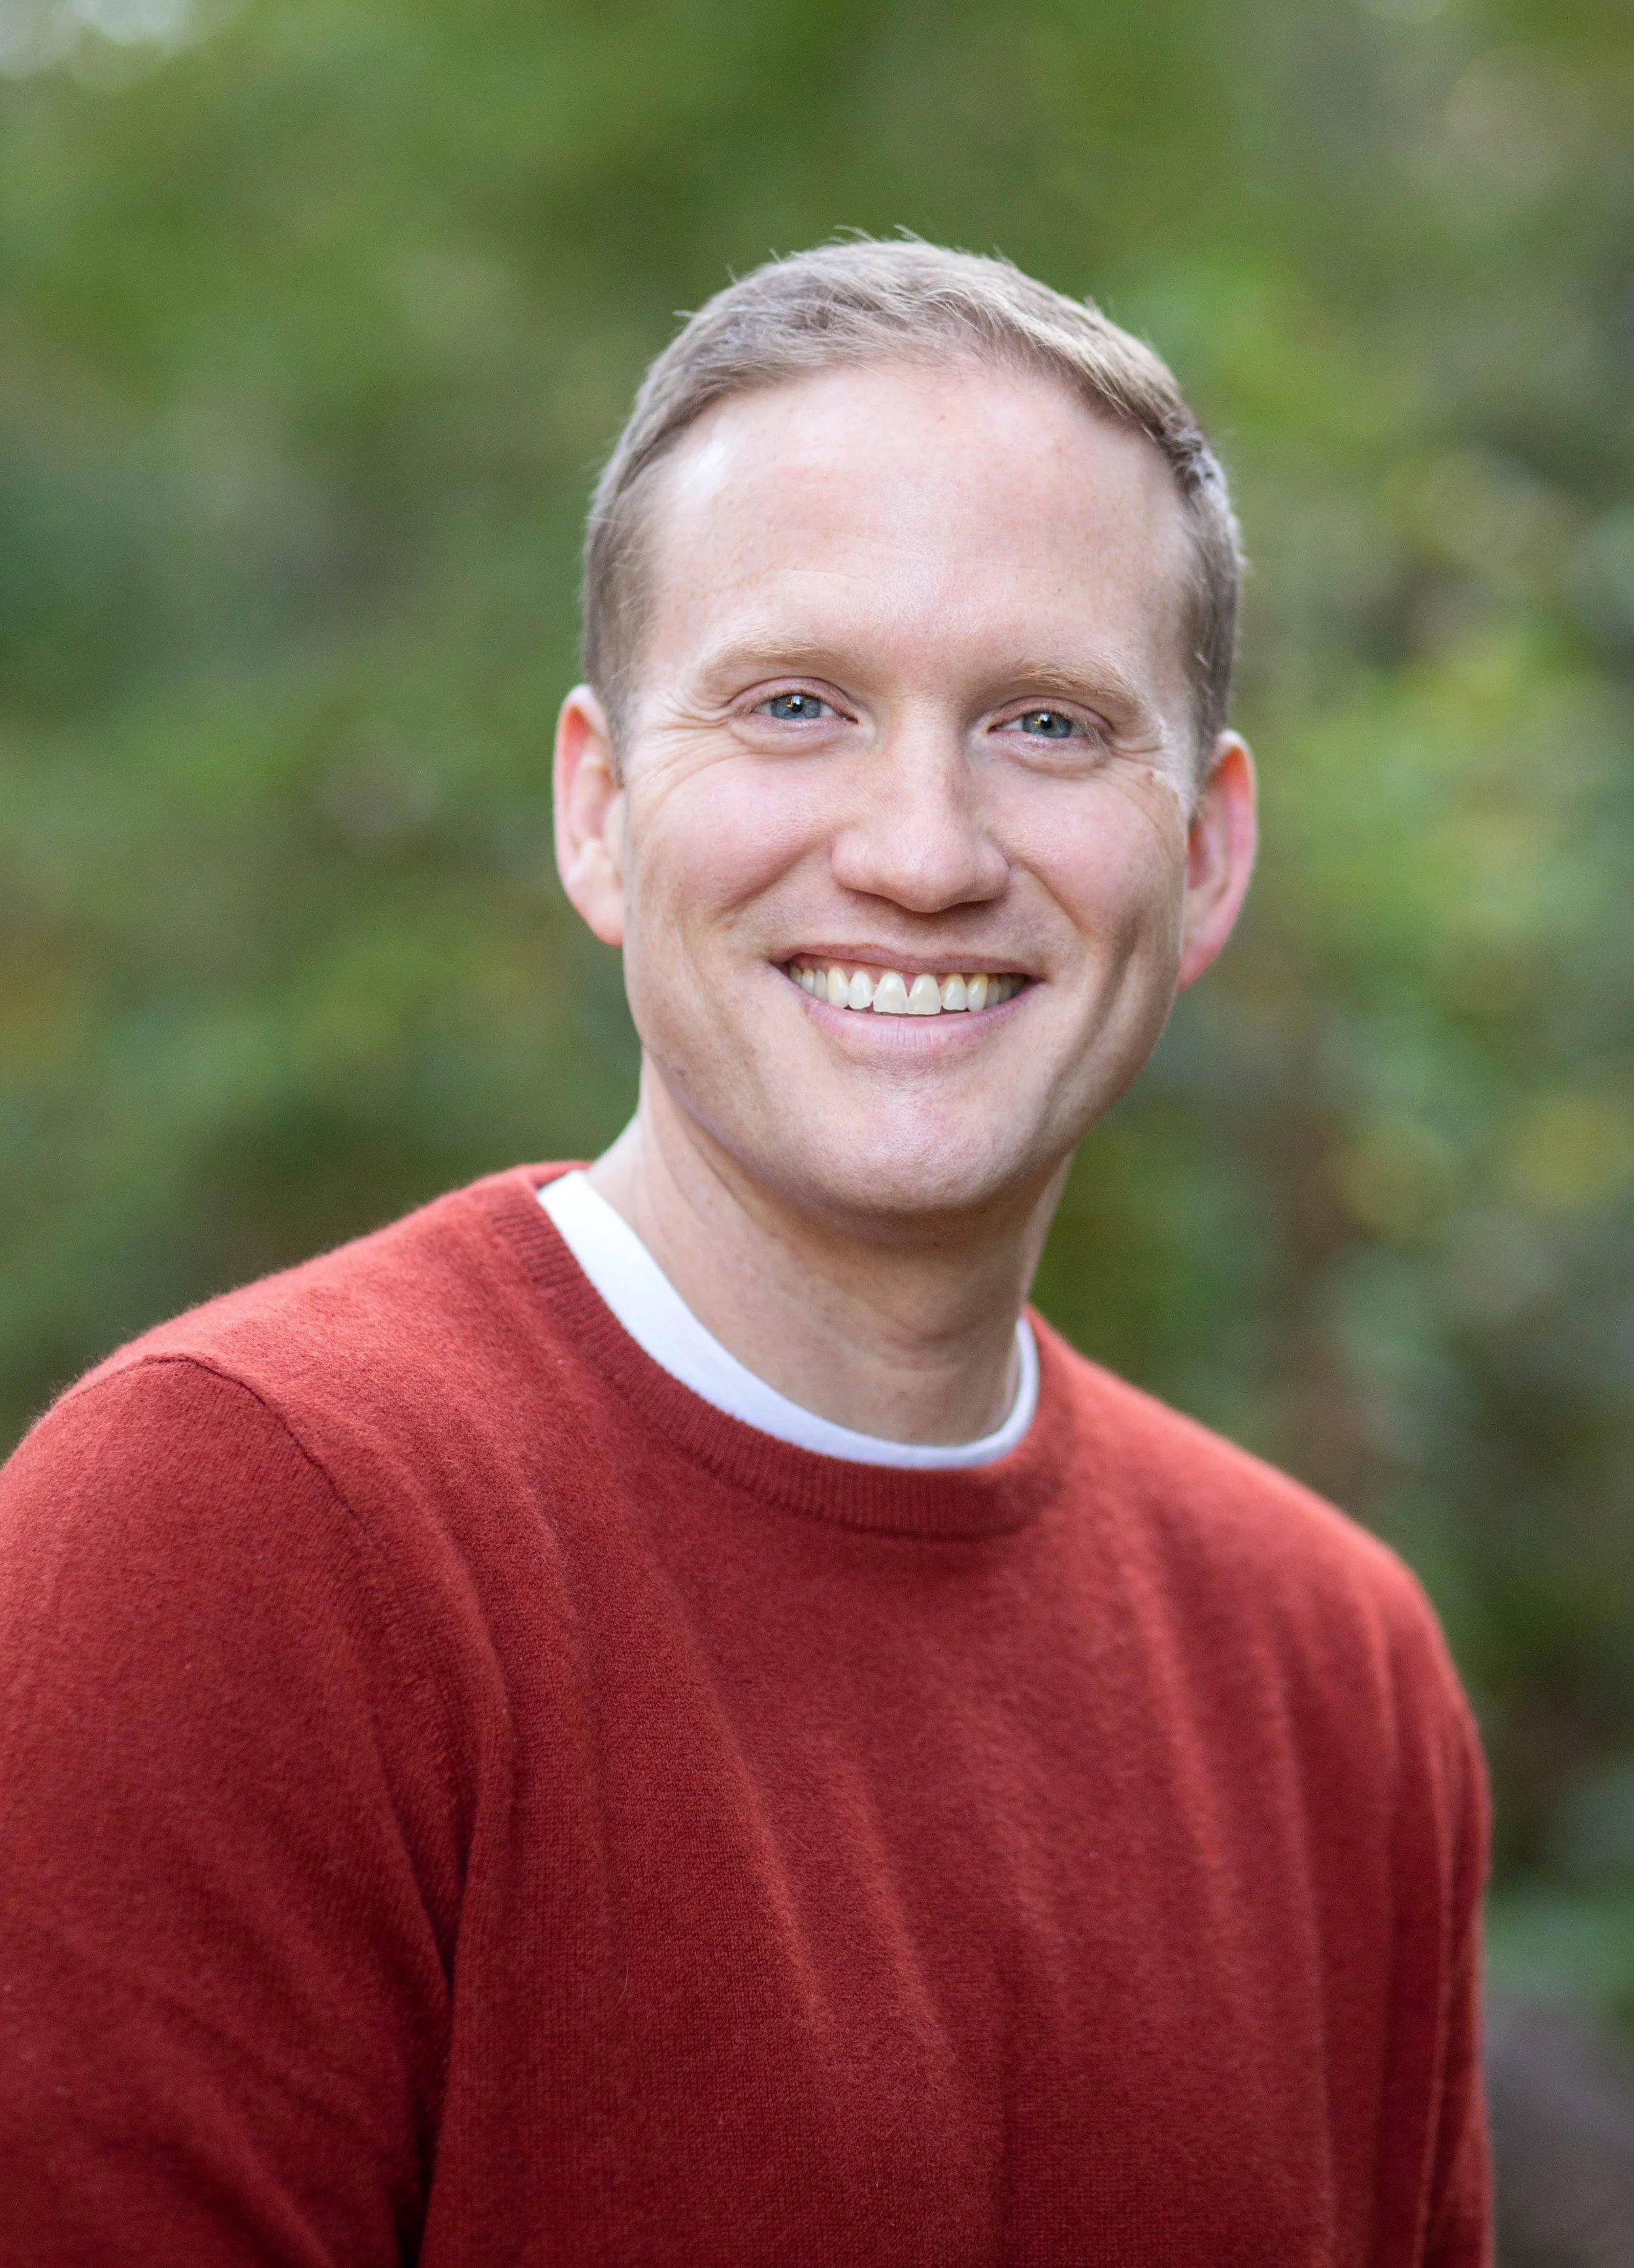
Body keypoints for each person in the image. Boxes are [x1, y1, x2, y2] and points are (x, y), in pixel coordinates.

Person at [0, 239, 1490, 2265]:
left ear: (1205, 851)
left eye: (1046, 723)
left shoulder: (1335, 1675)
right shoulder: (238, 1529)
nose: (923, 846)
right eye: (795, 703)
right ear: (600, 810)